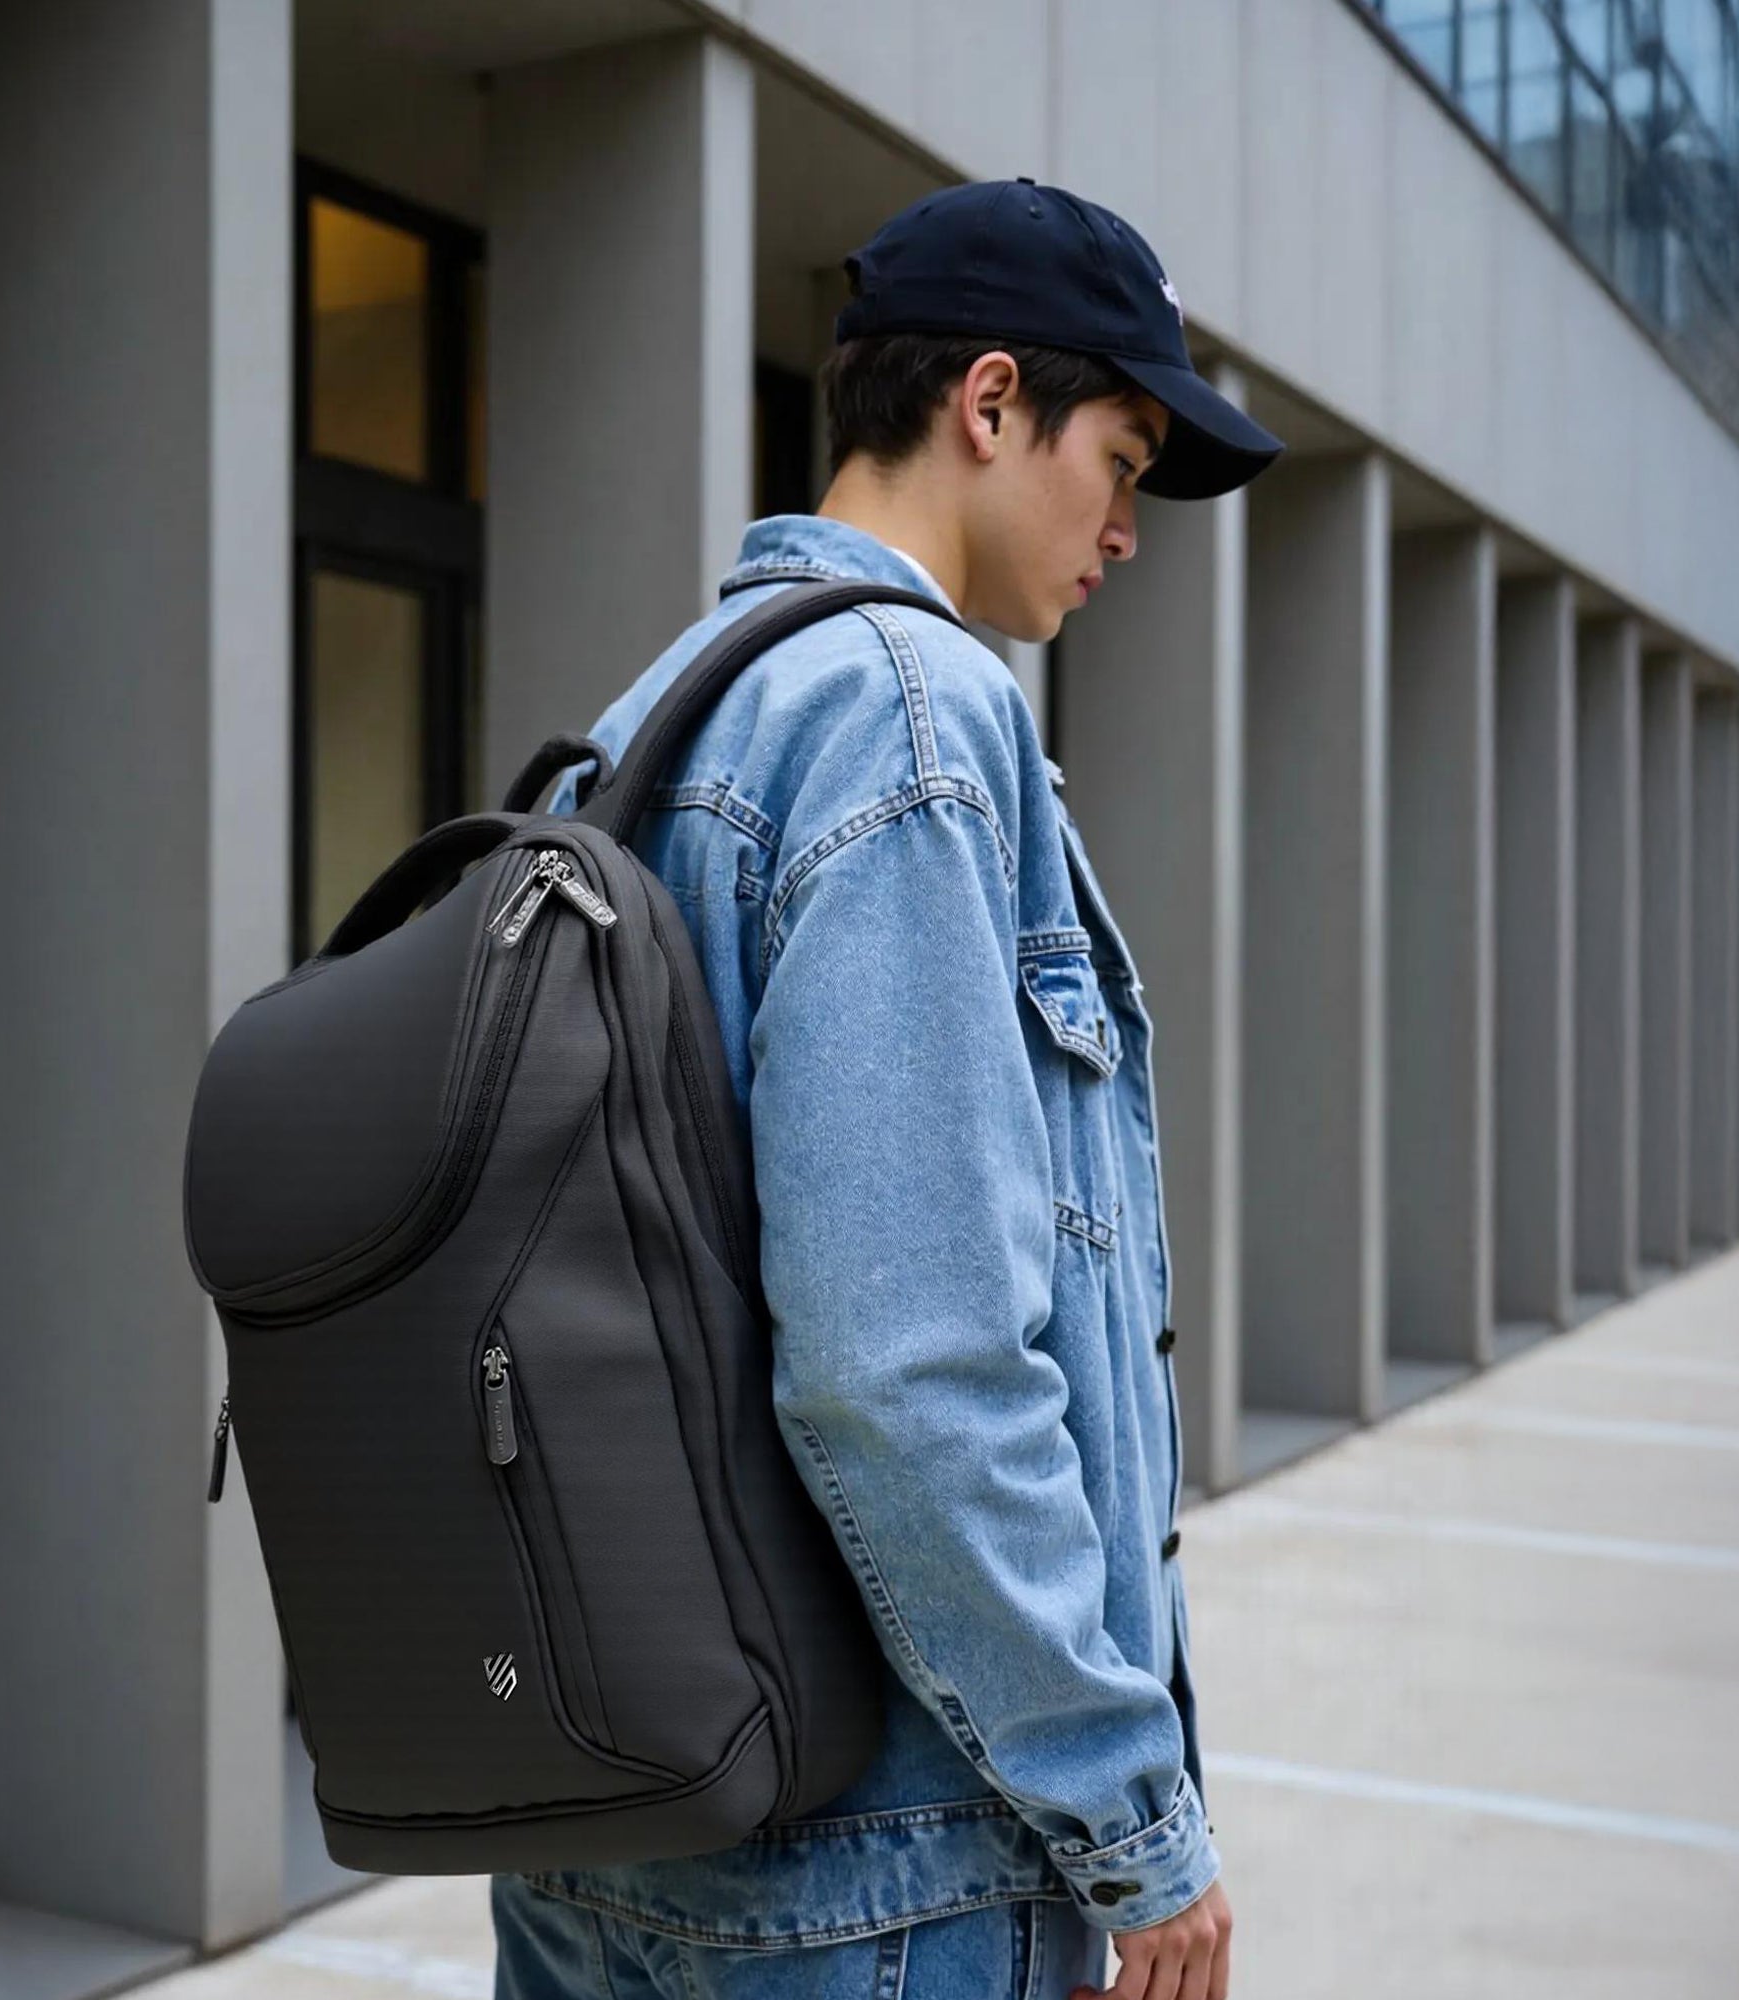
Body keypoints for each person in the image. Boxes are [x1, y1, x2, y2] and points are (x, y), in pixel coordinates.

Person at [491, 179, 1284, 2000]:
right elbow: (906, 1363)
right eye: (1123, 458)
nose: (1128, 527)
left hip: (607, 1813)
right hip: (875, 1864)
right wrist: (1132, 1815)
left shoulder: (653, 715)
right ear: (990, 402)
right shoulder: (911, 711)